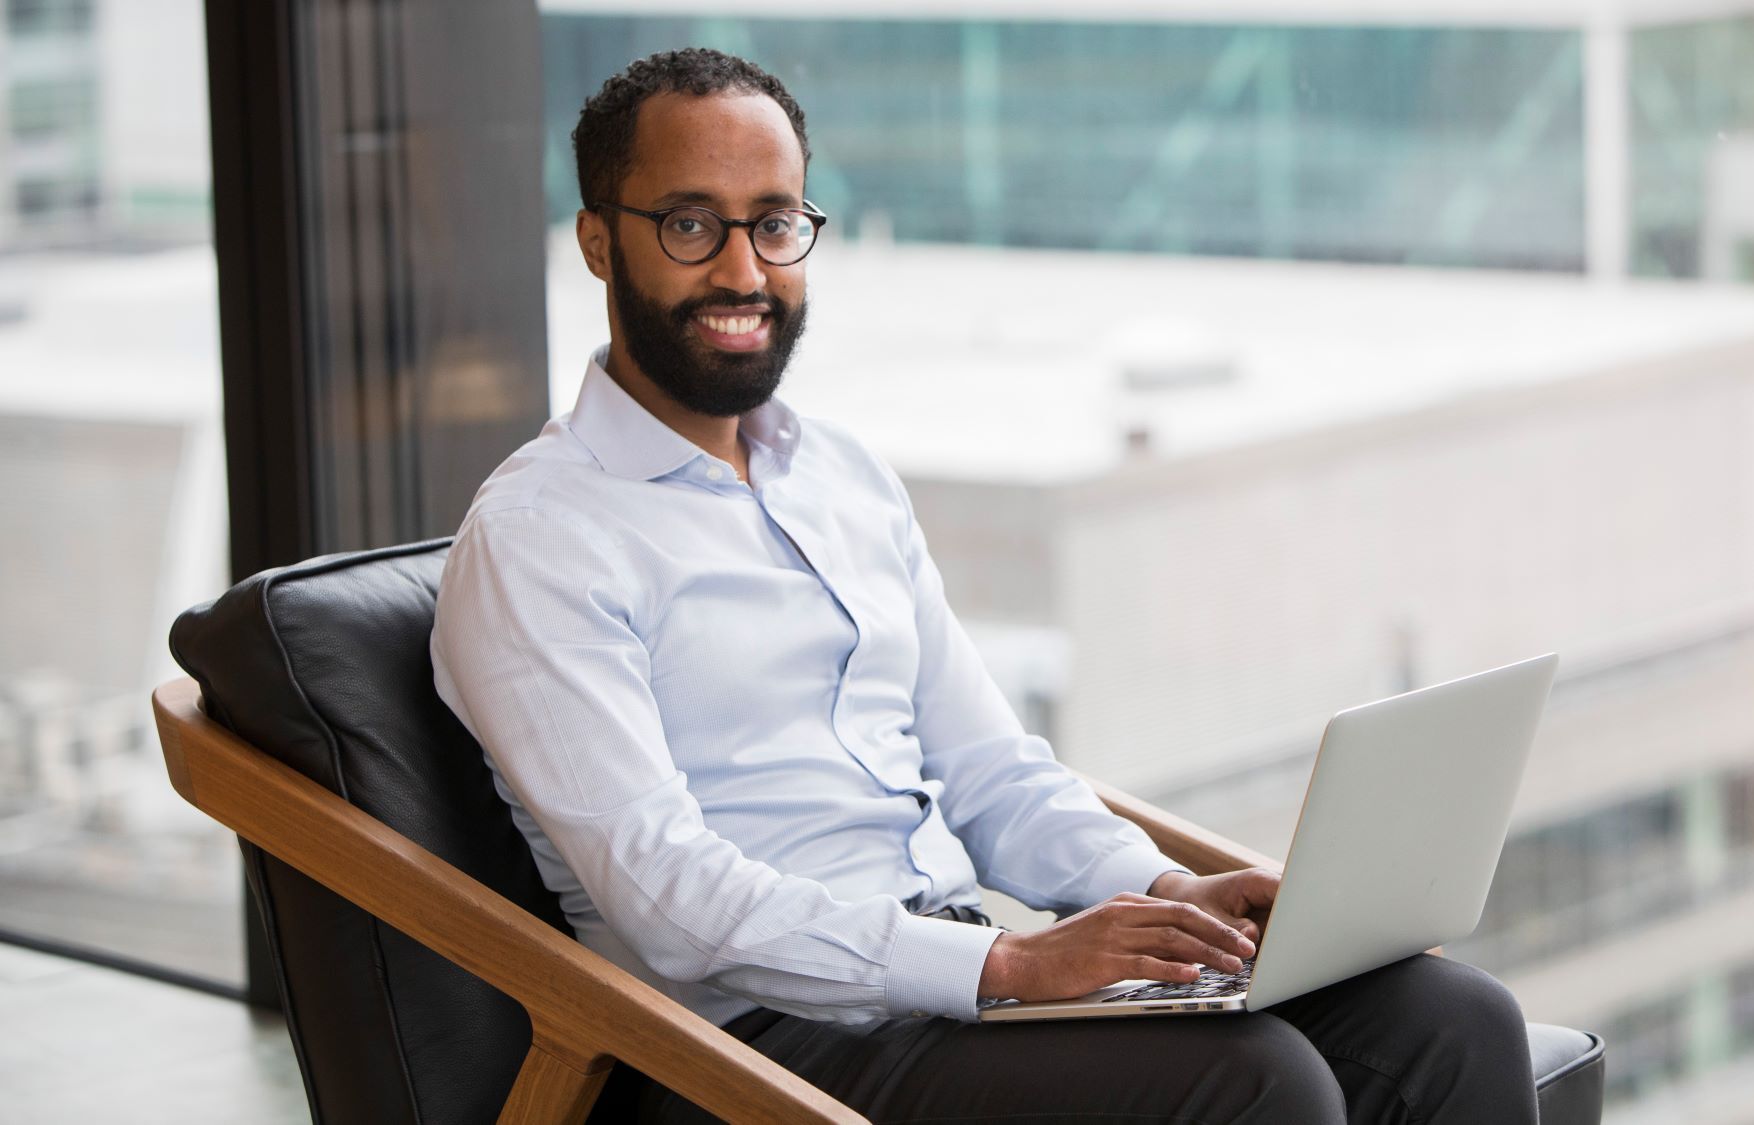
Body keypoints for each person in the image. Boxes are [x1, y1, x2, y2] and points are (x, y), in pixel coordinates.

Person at [431, 47, 1538, 1124]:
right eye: (688, 224)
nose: (741, 271)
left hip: (955, 982)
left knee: (1449, 1022)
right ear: (594, 240)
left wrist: (1161, 894)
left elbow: (989, 773)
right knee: (1256, 1083)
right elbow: (669, 901)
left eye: (773, 223)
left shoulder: (841, 477)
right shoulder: (541, 540)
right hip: (751, 1048)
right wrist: (1005, 962)